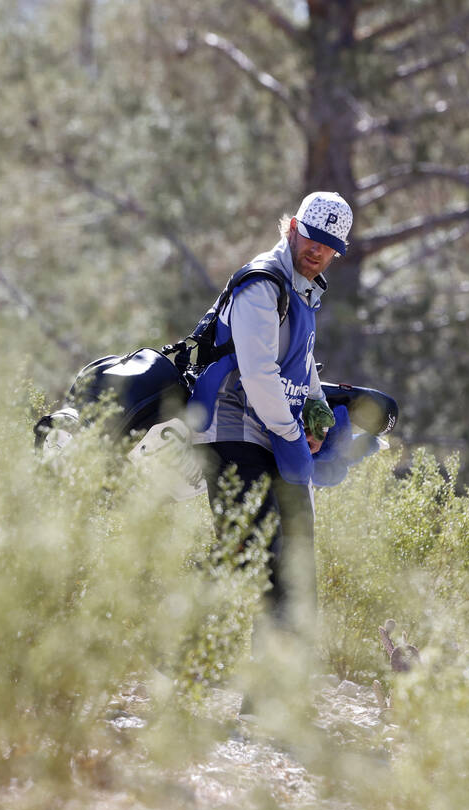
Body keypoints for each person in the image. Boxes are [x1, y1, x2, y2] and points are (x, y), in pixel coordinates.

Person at [190, 191, 356, 632]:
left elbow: (301, 364)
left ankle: (277, 692)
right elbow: (258, 372)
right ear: (292, 228)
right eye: (311, 238)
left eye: (329, 246)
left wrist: (318, 410)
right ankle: (182, 646)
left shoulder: (304, 291)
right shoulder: (263, 284)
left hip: (273, 434)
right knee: (258, 553)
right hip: (233, 433)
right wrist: (290, 435)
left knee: (296, 563)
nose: (317, 251)